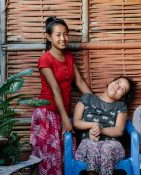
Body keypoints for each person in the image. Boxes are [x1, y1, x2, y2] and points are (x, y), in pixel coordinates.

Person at [30, 16, 92, 175]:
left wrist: (97, 102)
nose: (63, 38)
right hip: (47, 114)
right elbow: (55, 90)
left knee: (65, 157)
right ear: (49, 37)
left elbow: (79, 82)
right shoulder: (45, 59)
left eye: (66, 34)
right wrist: (65, 119)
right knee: (49, 160)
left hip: (62, 113)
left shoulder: (69, 57)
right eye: (58, 35)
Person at [73, 76, 135, 175]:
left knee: (106, 148)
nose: (118, 87)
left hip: (111, 144)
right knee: (93, 146)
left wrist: (100, 130)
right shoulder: (87, 98)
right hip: (88, 143)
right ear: (111, 82)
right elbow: (76, 122)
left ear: (122, 97)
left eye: (122, 89)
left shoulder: (120, 106)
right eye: (118, 82)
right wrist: (94, 125)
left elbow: (119, 130)